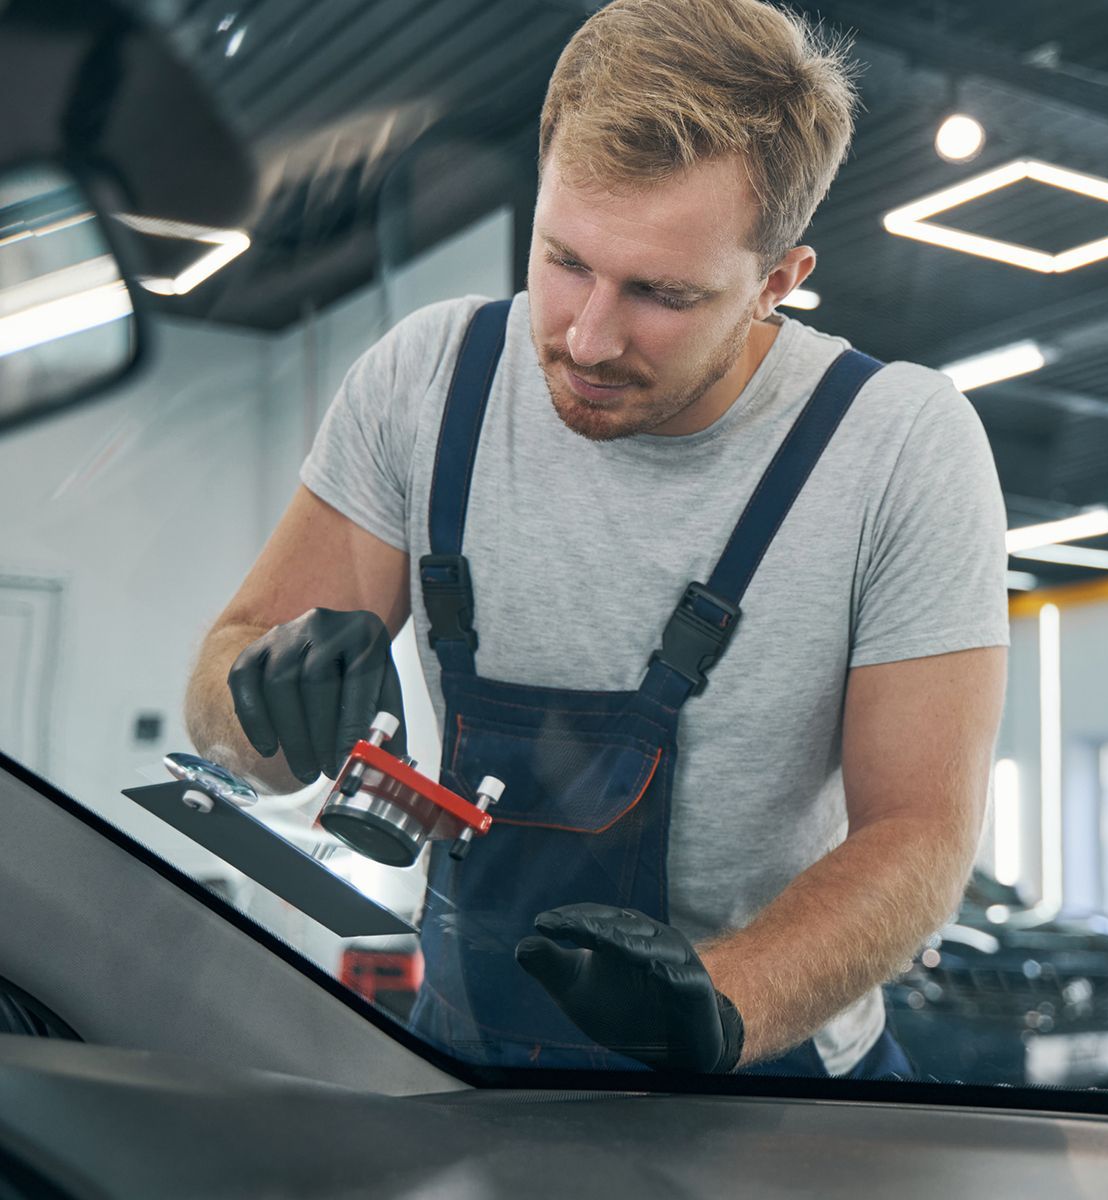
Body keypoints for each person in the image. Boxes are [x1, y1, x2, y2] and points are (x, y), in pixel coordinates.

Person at [182, 0, 1007, 1080]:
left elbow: (921, 838)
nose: (587, 336)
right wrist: (260, 697)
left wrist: (726, 1004)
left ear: (776, 283)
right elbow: (220, 690)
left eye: (662, 294)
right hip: (467, 1057)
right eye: (565, 259)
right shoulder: (427, 383)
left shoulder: (897, 446)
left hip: (769, 1075)